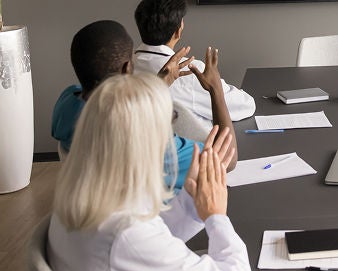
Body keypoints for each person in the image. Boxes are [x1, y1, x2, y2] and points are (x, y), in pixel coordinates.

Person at [48, 72, 253, 271]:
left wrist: (192, 198)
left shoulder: (83, 199)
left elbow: (155, 234)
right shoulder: (125, 236)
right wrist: (217, 217)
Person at [51, 20, 237, 189]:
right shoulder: (146, 141)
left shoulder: (67, 102)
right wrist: (215, 90)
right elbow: (226, 160)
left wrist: (160, 82)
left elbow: (114, 104)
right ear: (126, 69)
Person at [134, 0, 255, 125]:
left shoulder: (125, 66)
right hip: (197, 145)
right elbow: (244, 106)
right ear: (178, 31)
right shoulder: (190, 71)